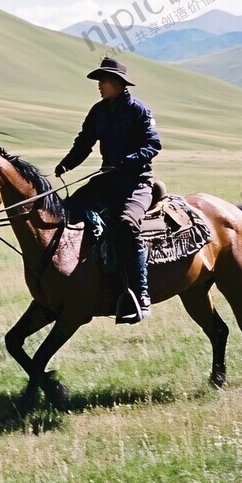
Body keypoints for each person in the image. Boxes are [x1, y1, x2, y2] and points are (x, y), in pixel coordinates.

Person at [55, 56, 162, 324]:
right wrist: (67, 163)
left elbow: (153, 145)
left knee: (126, 224)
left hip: (137, 182)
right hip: (107, 181)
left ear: (117, 83)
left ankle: (141, 293)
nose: (99, 85)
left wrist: (128, 161)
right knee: (68, 210)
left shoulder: (139, 111)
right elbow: (84, 143)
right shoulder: (98, 111)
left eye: (103, 80)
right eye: (99, 81)